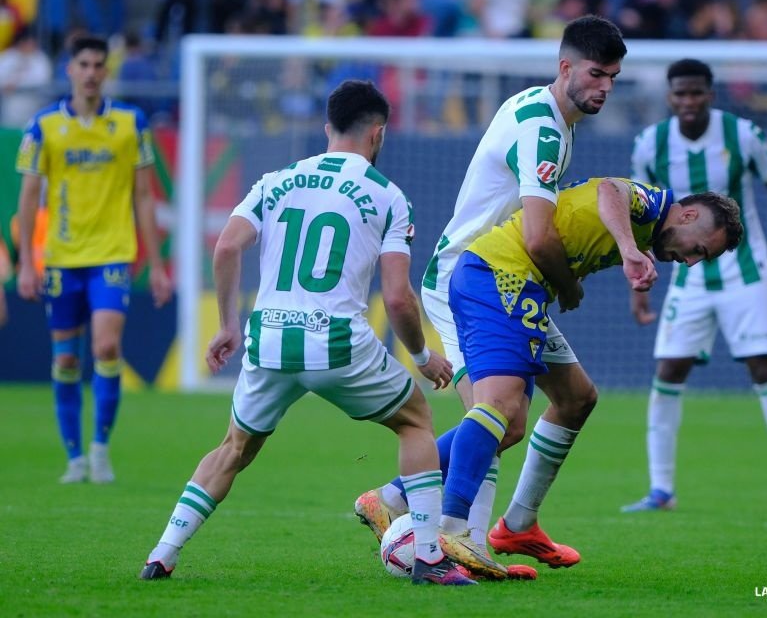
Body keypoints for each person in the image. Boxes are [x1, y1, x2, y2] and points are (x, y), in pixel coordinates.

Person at [139, 79, 474, 586]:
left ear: (327, 129)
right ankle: (428, 554)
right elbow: (399, 296)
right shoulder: (387, 195)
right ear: (378, 134)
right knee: (416, 423)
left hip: (269, 338)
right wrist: (423, 355)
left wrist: (229, 323)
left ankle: (162, 554)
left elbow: (227, 247)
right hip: (336, 340)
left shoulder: (276, 180)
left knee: (234, 447)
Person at [355, 14, 648, 577]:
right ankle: (453, 538)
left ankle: (513, 525)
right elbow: (538, 234)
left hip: (511, 281)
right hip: (468, 278)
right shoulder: (541, 125)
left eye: (613, 76)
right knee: (498, 417)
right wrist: (570, 284)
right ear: (565, 68)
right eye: (596, 73)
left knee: (576, 397)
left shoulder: (552, 115)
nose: (605, 87)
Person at [440, 176, 743, 579]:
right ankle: (444, 526)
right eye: (698, 250)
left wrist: (575, 280)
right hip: (501, 275)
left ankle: (518, 525)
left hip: (525, 288)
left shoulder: (650, 228)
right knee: (499, 407)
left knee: (574, 399)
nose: (689, 261)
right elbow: (610, 190)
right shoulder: (652, 204)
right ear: (687, 215)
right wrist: (626, 250)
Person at [622, 58, 767, 515]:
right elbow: (639, 215)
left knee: (764, 367)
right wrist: (639, 282)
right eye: (680, 94)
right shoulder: (651, 144)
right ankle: (661, 490)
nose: (688, 102)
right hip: (688, 277)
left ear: (711, 93)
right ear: (669, 97)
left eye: (696, 93)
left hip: (744, 271)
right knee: (668, 371)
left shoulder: (742, 135)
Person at [15, 35, 172, 485]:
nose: (90, 72)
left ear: (106, 71)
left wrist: (157, 265)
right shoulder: (43, 126)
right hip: (63, 257)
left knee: (105, 347)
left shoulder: (130, 122)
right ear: (69, 69)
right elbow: (28, 197)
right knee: (65, 360)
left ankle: (100, 448)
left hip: (113, 254)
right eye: (82, 63)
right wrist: (28, 260)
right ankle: (74, 457)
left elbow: (144, 195)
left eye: (98, 64)